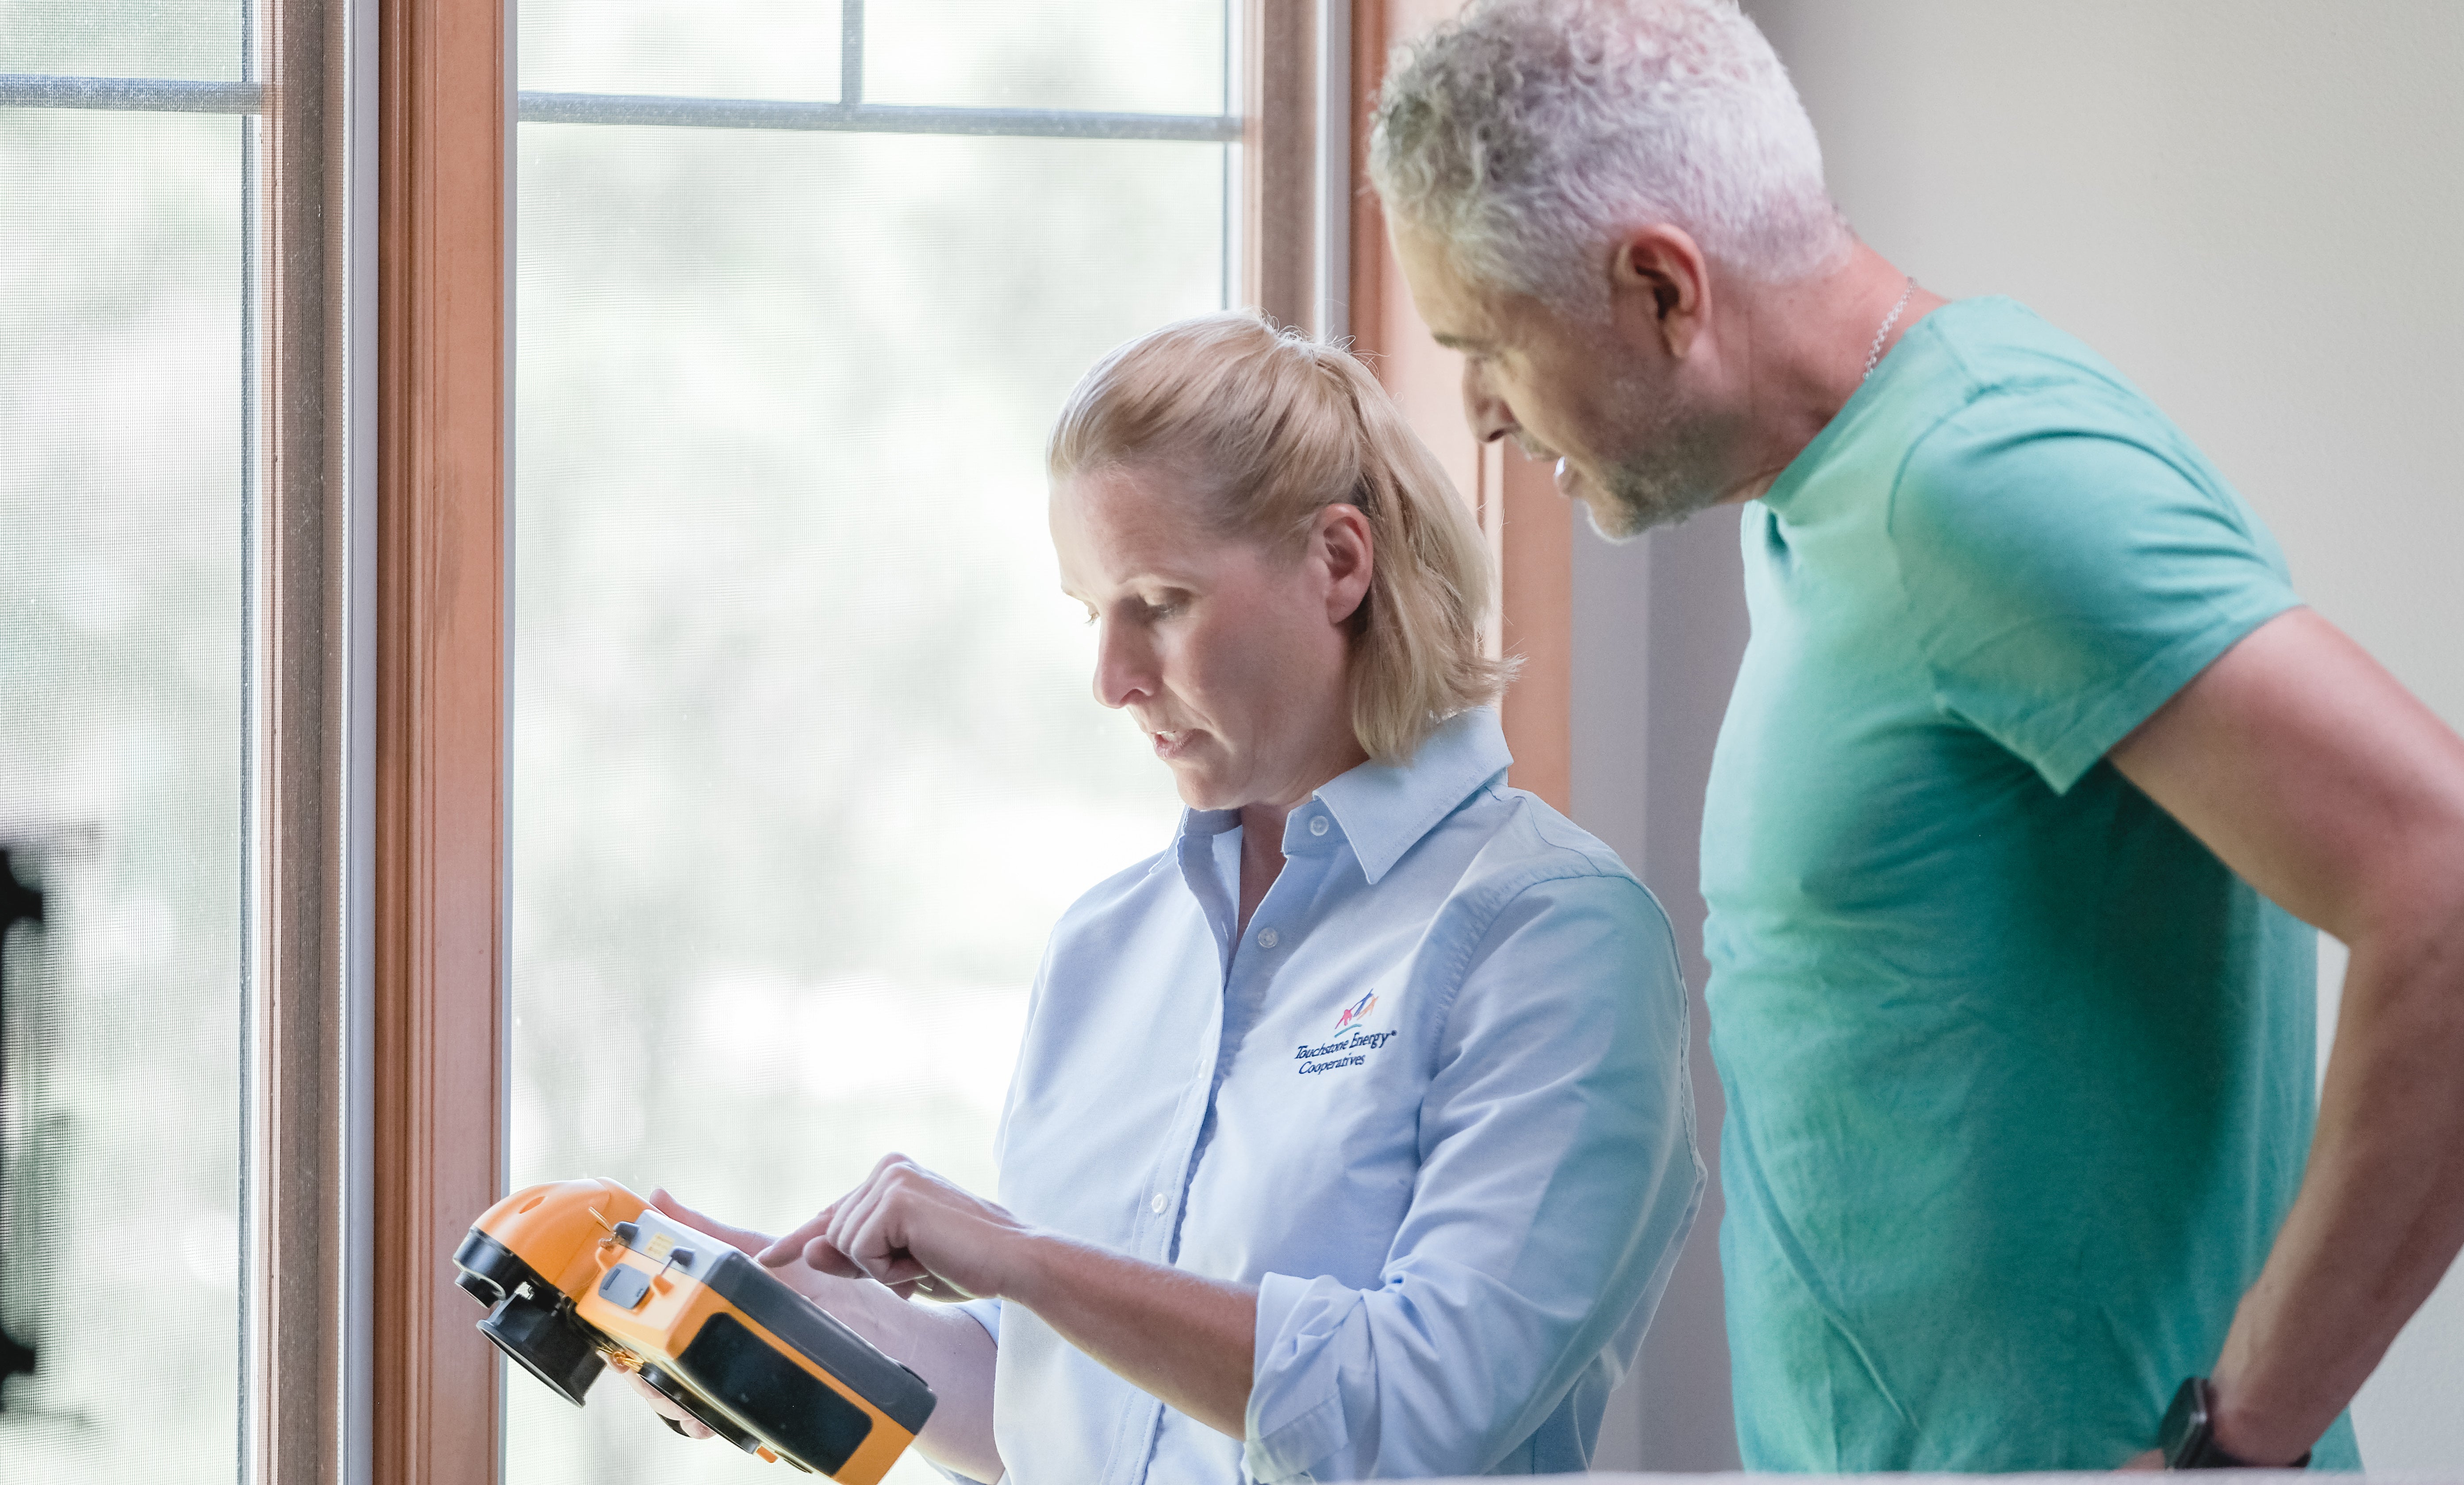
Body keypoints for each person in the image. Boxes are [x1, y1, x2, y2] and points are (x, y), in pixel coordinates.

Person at [1369, 0, 2464, 1474]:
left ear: (1661, 289)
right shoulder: (1831, 491)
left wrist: (2240, 1448)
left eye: (1484, 347)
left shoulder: (1978, 483)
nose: (1478, 415)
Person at [635, 313, 1703, 1484]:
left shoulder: (1550, 933)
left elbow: (1418, 1413)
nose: (1112, 678)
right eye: (1095, 612)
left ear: (1340, 562)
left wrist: (1024, 1260)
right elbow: (1055, 1407)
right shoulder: (1111, 943)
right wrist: (789, 1320)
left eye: (1160, 600)